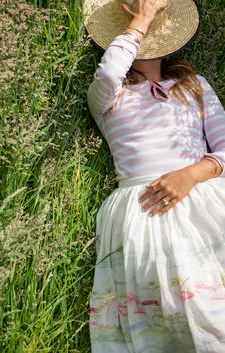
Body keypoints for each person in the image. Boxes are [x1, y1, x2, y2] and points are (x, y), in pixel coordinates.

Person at [84, 0, 225, 352]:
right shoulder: (109, 94)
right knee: (160, 318)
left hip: (202, 200)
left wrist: (192, 173)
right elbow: (108, 73)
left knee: (213, 310)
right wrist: (142, 19)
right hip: (143, 208)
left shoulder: (193, 85)